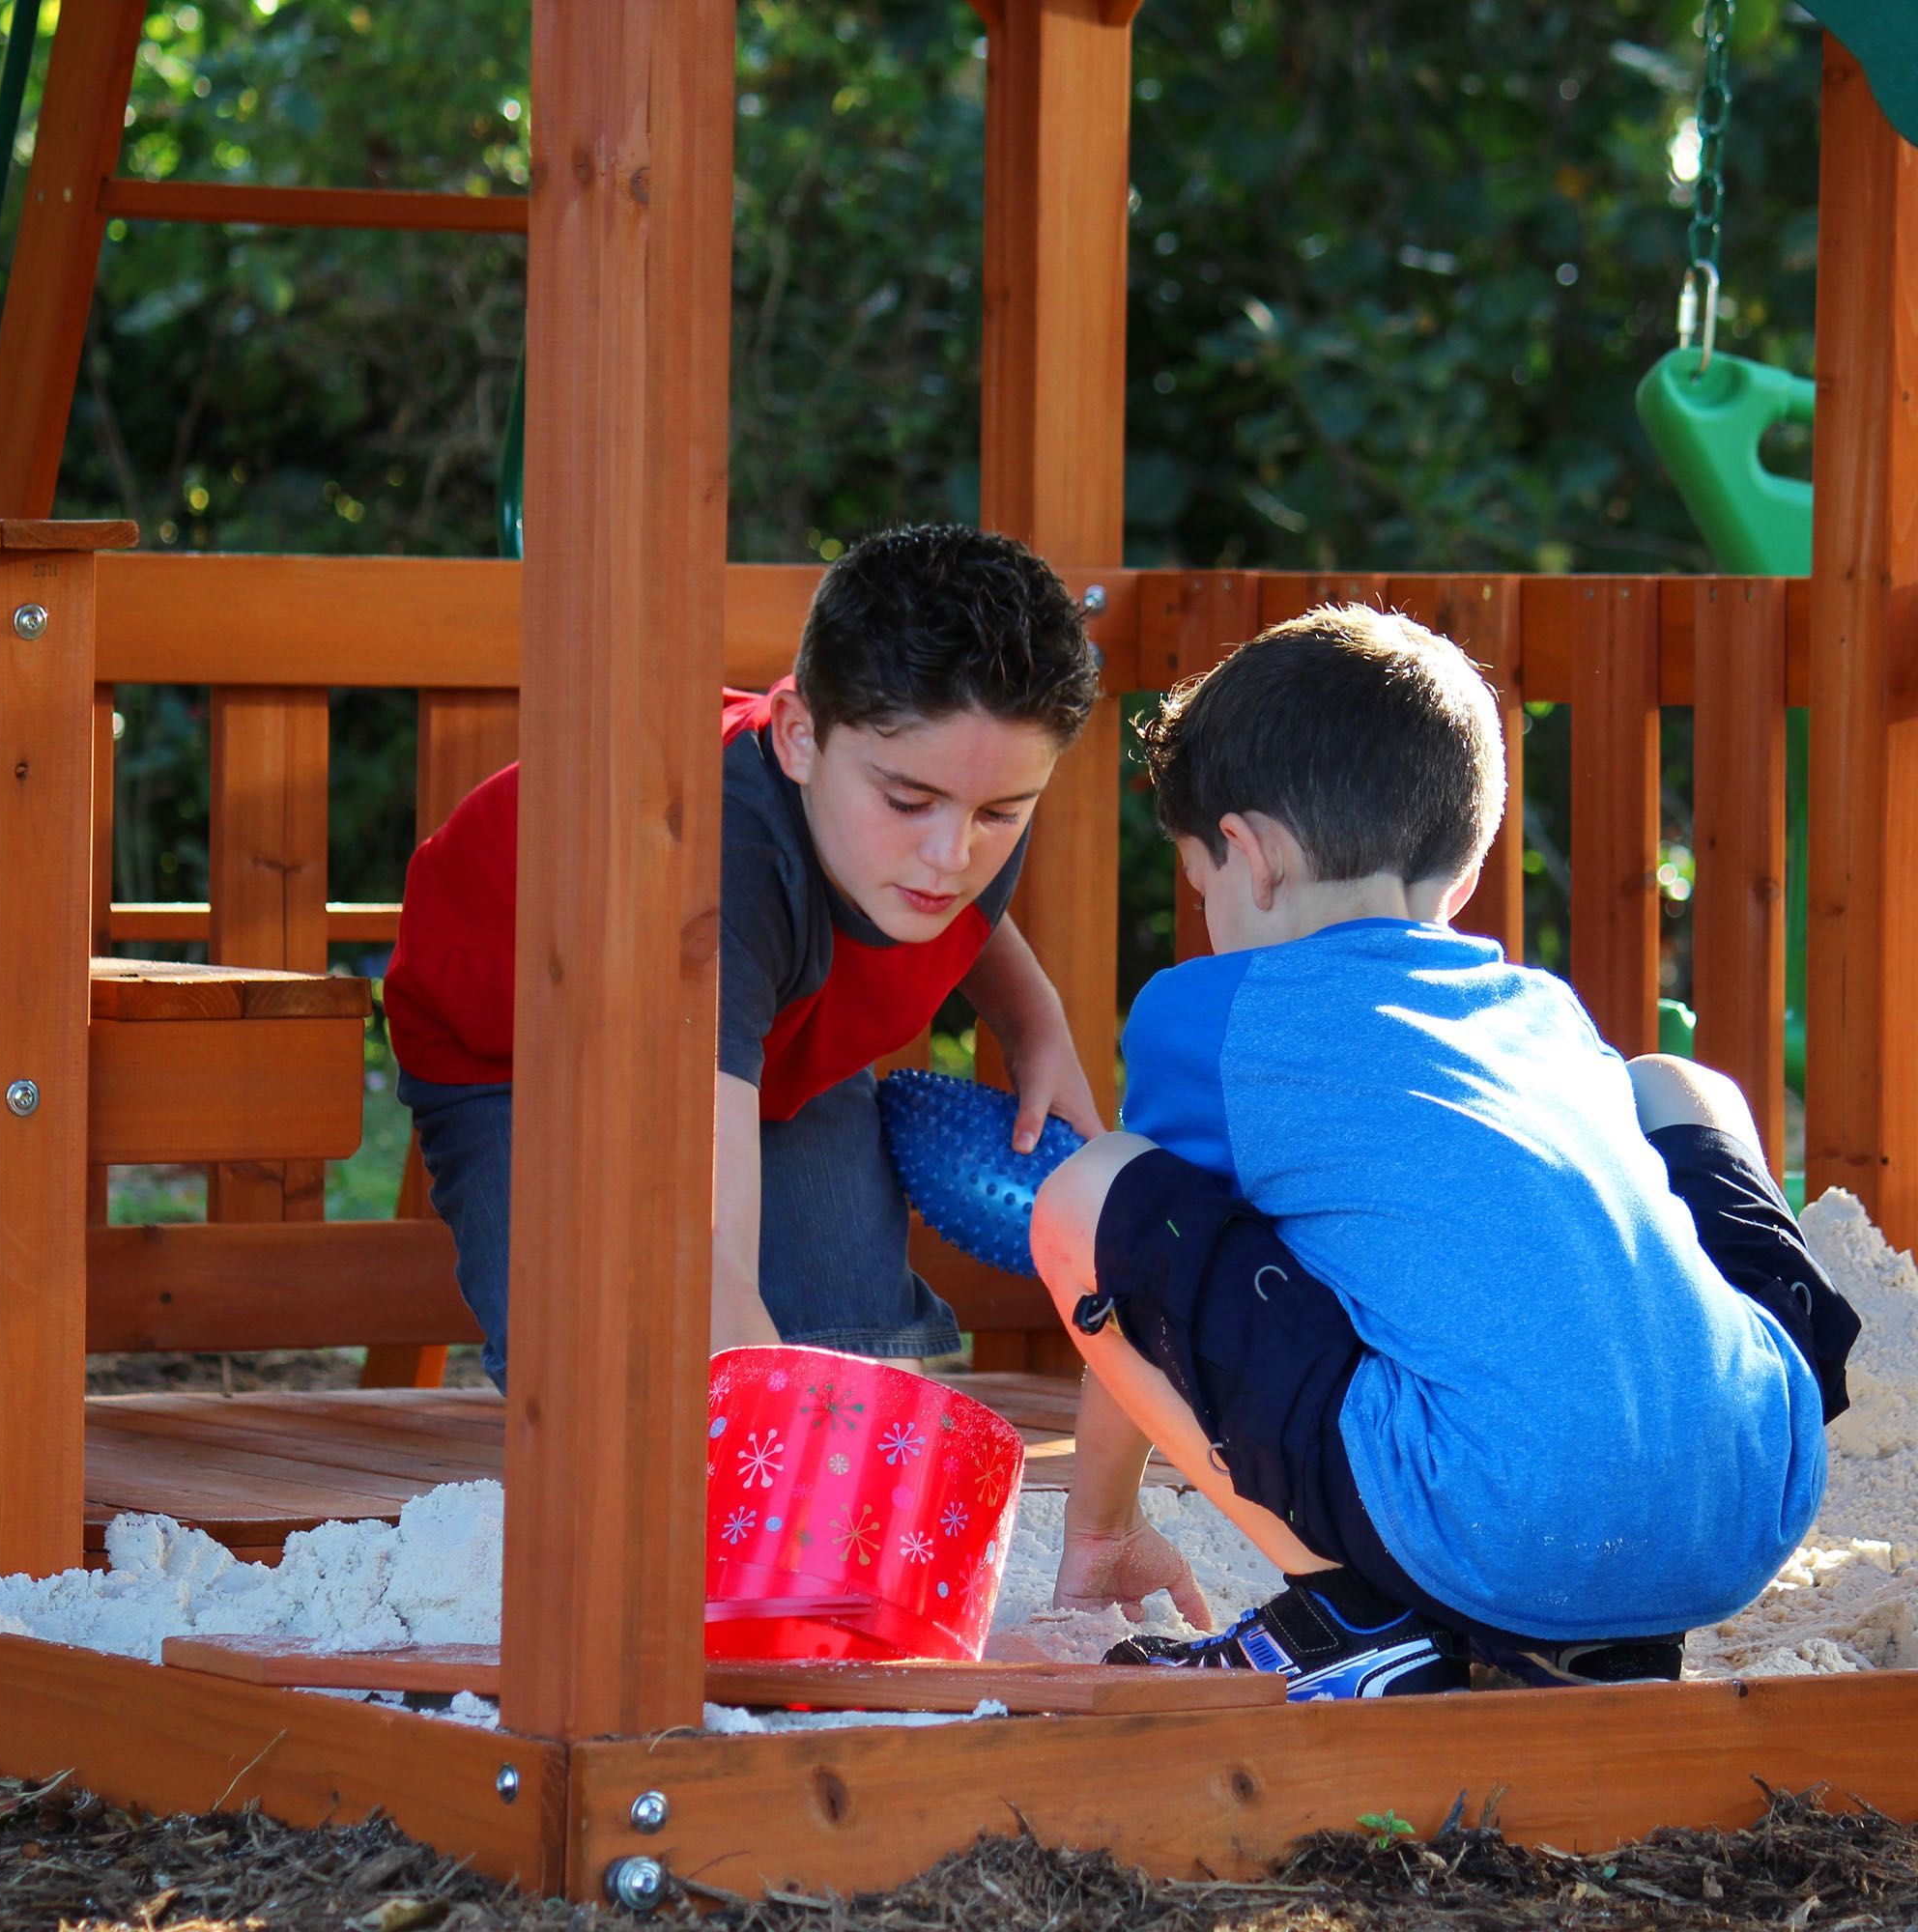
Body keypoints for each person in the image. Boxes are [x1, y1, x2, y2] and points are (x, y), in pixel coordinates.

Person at [1028, 605, 1860, 1697]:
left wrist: (1100, 1528)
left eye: (1202, 886)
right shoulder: (1541, 1012)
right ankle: (1594, 1603)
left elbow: (1142, 1265)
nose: (1208, 916)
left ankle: (1352, 1606)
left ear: (1251, 854)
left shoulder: (1216, 1013)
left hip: (1492, 1521)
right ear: (1460, 876)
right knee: (1672, 1083)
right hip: (1742, 1496)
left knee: (1084, 1193)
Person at [386, 525, 1106, 1389]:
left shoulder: (959, 801)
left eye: (1000, 814)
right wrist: (780, 1443)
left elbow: (974, 909)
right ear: (799, 736)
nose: (952, 855)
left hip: (760, 1033)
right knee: (613, 1377)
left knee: (846, 1335)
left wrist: (1034, 1021)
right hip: (533, 1048)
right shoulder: (711, 869)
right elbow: (711, 1260)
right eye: (910, 801)